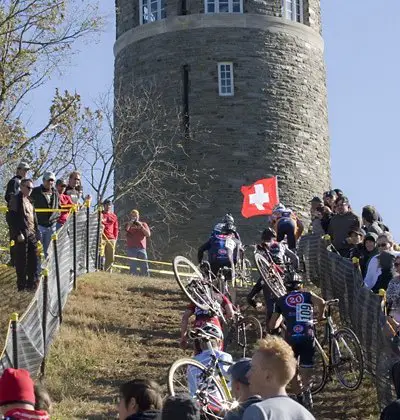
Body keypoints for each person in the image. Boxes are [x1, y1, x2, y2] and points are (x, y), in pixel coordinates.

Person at [268, 273, 325, 409]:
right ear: (300, 285)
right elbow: (321, 302)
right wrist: (320, 315)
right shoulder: (307, 295)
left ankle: (299, 397)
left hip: (291, 336)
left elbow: (272, 325)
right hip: (308, 333)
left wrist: (282, 319)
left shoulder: (280, 300)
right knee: (306, 366)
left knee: (292, 367)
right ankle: (307, 391)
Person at [242, 336, 315, 420]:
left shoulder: (259, 411)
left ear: (268, 376)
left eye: (253, 368)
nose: (247, 374)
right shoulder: (306, 415)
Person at [247, 228, 298, 321]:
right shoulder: (281, 245)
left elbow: (257, 258)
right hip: (282, 273)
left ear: (263, 238)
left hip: (267, 275)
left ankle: (260, 308)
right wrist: (294, 270)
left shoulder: (260, 246)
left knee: (251, 298)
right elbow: (295, 258)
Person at [188, 324, 233, 406]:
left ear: (201, 345)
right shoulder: (223, 356)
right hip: (217, 405)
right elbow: (230, 377)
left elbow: (191, 386)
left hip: (196, 405)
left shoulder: (192, 361)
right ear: (219, 342)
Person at [8, 179, 40, 291]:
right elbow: (11, 218)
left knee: (34, 262)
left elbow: (34, 220)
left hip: (32, 234)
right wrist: (17, 234)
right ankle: (21, 288)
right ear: (21, 186)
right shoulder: (16, 199)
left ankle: (31, 287)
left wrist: (37, 235)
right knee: (22, 262)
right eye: (28, 187)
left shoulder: (30, 201)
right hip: (22, 235)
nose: (30, 190)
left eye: (31, 188)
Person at [5, 161, 31, 266]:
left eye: (27, 170)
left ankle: (20, 261)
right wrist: (18, 201)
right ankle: (13, 261)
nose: (25, 172)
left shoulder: (25, 183)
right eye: (24, 170)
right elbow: (8, 196)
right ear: (18, 169)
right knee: (15, 236)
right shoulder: (15, 181)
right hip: (14, 213)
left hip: (23, 214)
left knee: (24, 237)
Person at [30, 171, 60, 256]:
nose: (50, 182)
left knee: (49, 251)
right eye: (48, 180)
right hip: (39, 225)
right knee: (37, 249)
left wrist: (55, 218)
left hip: (51, 226)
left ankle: (48, 269)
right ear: (43, 180)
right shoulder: (35, 191)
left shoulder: (55, 193)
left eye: (52, 180)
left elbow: (59, 207)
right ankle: (36, 269)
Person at [125, 209, 151, 276]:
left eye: (136, 216)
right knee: (133, 266)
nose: (134, 217)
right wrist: (129, 226)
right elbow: (122, 235)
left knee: (144, 266)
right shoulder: (128, 224)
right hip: (131, 248)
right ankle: (133, 279)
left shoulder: (143, 224)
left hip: (141, 248)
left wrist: (141, 227)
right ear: (131, 217)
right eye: (133, 216)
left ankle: (145, 279)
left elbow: (148, 234)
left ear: (138, 216)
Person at [102, 199, 119, 272]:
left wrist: (115, 238)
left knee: (110, 257)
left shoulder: (114, 216)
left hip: (111, 238)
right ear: (104, 205)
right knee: (100, 255)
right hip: (102, 237)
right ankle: (99, 270)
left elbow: (116, 228)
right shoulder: (100, 214)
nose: (108, 206)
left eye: (110, 205)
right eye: (107, 205)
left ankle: (108, 271)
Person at [386, 256, 400, 323]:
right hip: (394, 316)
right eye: (396, 264)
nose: (398, 266)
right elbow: (389, 299)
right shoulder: (393, 281)